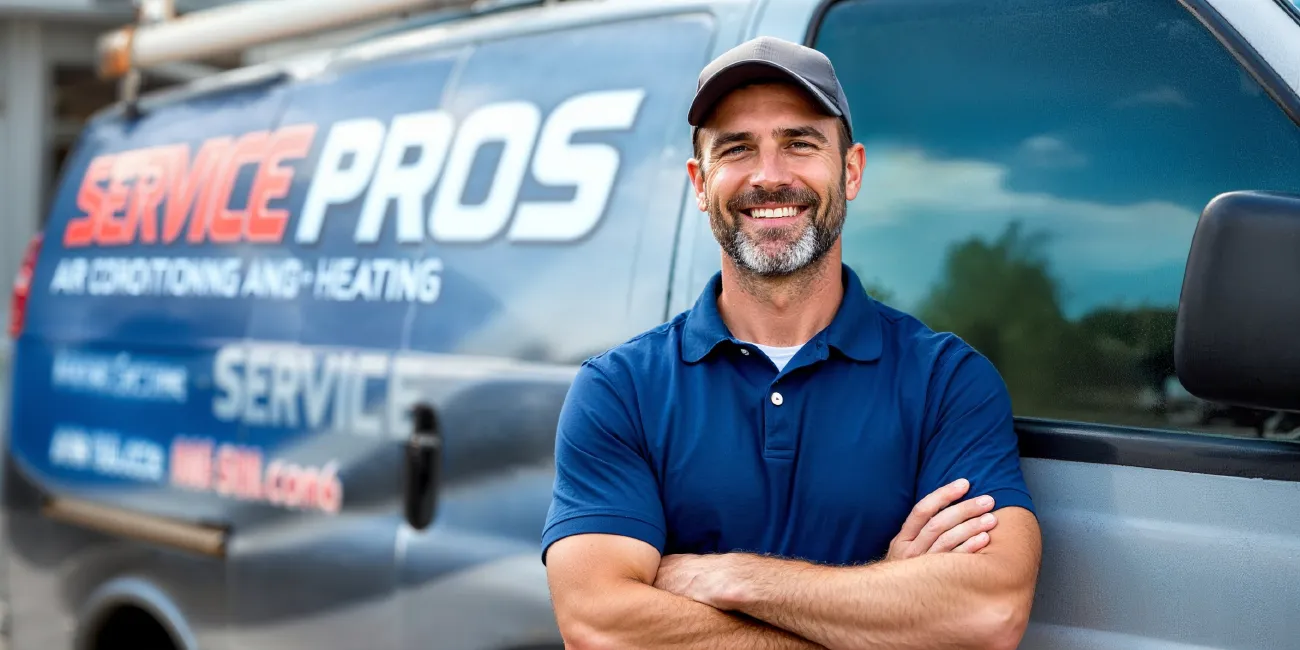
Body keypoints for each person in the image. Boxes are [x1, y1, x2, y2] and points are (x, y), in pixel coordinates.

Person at [542, 35, 1042, 649]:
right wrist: (885, 601)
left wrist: (725, 577)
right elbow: (598, 625)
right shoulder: (621, 391)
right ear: (700, 183)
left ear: (850, 170)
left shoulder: (947, 382)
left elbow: (986, 614)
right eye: (737, 148)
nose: (769, 177)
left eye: (800, 143)